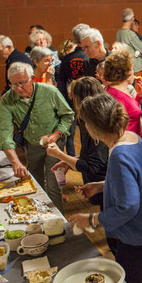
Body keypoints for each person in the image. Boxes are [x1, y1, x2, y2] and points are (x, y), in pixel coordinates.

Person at [68, 92, 142, 283]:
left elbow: (128, 205)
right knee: (137, 280)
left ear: (93, 127)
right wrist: (101, 186)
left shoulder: (119, 154)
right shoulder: (130, 138)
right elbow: (132, 182)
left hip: (137, 234)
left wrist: (91, 219)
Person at [0, 62, 74, 213]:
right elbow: (5, 133)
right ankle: (40, 219)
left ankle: (59, 223)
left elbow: (67, 116)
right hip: (31, 145)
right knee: (36, 184)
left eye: (22, 83)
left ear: (32, 78)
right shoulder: (6, 100)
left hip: (54, 145)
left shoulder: (50, 91)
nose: (18, 88)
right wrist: (15, 162)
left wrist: (56, 134)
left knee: (53, 186)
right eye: (13, 84)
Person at [47, 76, 109, 208]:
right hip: (101, 187)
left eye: (74, 97)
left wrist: (60, 155)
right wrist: (68, 161)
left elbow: (93, 167)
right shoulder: (91, 120)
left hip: (105, 189)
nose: (72, 101)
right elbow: (90, 155)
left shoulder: (97, 124)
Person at [58, 24, 91, 157]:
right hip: (91, 101)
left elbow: (61, 82)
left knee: (79, 135)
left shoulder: (67, 59)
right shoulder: (90, 57)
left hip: (74, 102)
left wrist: (66, 100)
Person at [103, 49, 142, 138]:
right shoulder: (118, 95)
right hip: (127, 145)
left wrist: (139, 96)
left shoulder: (111, 90)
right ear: (128, 72)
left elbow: (130, 112)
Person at [116, 8, 142, 75]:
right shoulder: (130, 34)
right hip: (134, 67)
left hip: (123, 66)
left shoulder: (119, 32)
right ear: (132, 19)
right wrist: (136, 53)